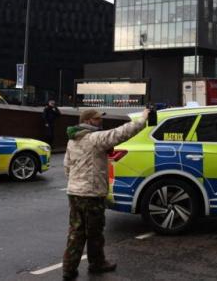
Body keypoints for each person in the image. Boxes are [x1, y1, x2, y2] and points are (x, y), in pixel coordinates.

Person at [61, 108, 150, 280]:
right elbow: (120, 133)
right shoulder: (94, 138)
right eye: (97, 119)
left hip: (75, 192)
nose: (100, 121)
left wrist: (75, 182)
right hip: (91, 193)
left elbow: (67, 166)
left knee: (75, 231)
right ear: (87, 121)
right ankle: (97, 264)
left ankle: (69, 269)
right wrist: (142, 119)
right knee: (94, 232)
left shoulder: (72, 140)